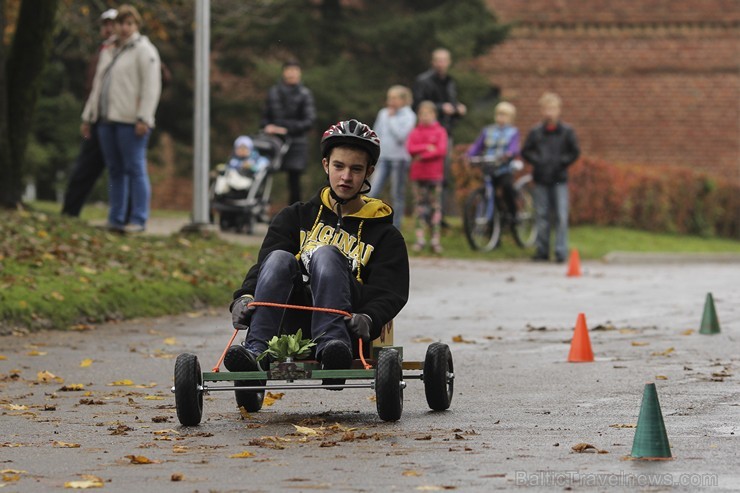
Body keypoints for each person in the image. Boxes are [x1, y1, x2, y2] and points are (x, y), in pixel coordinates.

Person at [226, 119, 409, 387]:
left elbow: (391, 290)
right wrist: (244, 297)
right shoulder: (294, 216)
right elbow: (265, 268)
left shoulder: (385, 235)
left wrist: (370, 317)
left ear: (368, 172)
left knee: (326, 254)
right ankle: (256, 350)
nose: (346, 177)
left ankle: (332, 347)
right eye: (339, 166)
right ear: (326, 165)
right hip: (291, 317)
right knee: (278, 257)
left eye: (356, 169)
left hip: (349, 325)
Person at [81, 4, 162, 233]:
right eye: (121, 23)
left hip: (131, 121)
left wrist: (144, 118)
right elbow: (98, 86)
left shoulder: (144, 50)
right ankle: (115, 218)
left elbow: (151, 87)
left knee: (135, 168)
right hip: (108, 119)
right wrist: (88, 116)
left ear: (136, 26)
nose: (124, 28)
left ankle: (138, 219)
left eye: (129, 23)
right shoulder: (109, 50)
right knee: (115, 170)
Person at [61, 8, 118, 218]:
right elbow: (93, 90)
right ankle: (70, 211)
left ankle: (125, 215)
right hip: (98, 120)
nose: (109, 28)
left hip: (118, 122)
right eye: (106, 24)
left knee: (120, 171)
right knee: (84, 170)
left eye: (114, 24)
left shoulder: (134, 50)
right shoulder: (102, 52)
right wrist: (88, 116)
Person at [521, 92, 580, 263]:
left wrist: (562, 162)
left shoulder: (567, 132)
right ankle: (542, 250)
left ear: (558, 110)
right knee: (541, 215)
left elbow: (574, 152)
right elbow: (526, 151)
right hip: (541, 178)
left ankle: (561, 251)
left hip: (559, 178)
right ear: (541, 111)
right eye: (546, 109)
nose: (549, 112)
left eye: (552, 109)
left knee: (561, 216)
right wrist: (538, 161)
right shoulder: (536, 132)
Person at [412, 48, 467, 223]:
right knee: (425, 175)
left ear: (449, 62)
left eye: (444, 60)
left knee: (442, 175)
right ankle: (425, 213)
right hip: (427, 134)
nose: (441, 63)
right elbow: (418, 105)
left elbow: (450, 105)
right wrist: (441, 106)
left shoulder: (450, 82)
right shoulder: (423, 81)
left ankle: (438, 214)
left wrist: (458, 109)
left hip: (444, 133)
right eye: (438, 60)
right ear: (433, 62)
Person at [261, 60, 316, 205]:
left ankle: (294, 213)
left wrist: (286, 129)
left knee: (294, 181)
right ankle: (261, 207)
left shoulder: (305, 94)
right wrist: (268, 127)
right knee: (262, 174)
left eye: (294, 70)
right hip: (273, 142)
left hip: (296, 143)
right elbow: (265, 117)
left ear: (299, 73)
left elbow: (309, 121)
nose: (291, 73)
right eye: (289, 70)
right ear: (284, 72)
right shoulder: (273, 92)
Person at [368, 85, 416, 229]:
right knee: (372, 191)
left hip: (399, 159)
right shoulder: (383, 113)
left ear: (403, 100)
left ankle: (396, 227)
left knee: (397, 194)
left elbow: (401, 136)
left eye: (394, 98)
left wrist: (392, 119)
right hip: (383, 157)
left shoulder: (409, 116)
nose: (391, 101)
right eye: (389, 98)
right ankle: (367, 223)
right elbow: (375, 133)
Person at [405, 101, 448, 254]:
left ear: (434, 115)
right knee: (419, 208)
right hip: (418, 175)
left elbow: (441, 150)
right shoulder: (415, 132)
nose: (424, 117)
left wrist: (422, 155)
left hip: (434, 175)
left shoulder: (440, 131)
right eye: (422, 114)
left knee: (436, 207)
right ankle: (420, 239)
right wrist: (427, 147)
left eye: (428, 113)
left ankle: (435, 239)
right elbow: (410, 148)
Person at [466, 101, 521, 219]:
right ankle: (494, 220)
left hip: (504, 168)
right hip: (489, 166)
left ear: (510, 118)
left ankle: (513, 213)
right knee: (489, 191)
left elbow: (514, 147)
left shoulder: (513, 132)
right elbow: (477, 146)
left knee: (506, 186)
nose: (500, 118)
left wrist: (509, 154)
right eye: (499, 114)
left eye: (504, 115)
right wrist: (469, 155)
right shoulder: (488, 130)